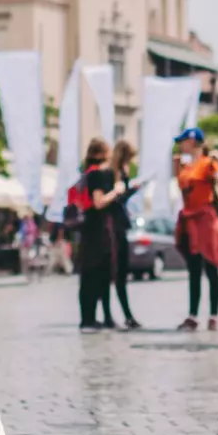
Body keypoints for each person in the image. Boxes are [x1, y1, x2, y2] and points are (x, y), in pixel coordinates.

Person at [172, 127, 218, 331]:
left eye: (184, 141)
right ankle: (193, 315)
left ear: (194, 142)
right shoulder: (185, 166)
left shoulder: (207, 163)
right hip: (189, 219)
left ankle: (213, 315)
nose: (180, 145)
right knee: (194, 269)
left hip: (205, 218)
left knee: (211, 267)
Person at [73, 139, 124, 331]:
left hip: (88, 229)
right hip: (97, 230)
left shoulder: (86, 172)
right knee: (97, 273)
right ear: (103, 152)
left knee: (90, 275)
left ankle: (89, 318)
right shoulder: (99, 174)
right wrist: (116, 191)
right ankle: (90, 319)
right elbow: (99, 202)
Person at [105, 140, 142, 329]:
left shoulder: (119, 173)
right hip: (114, 227)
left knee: (120, 273)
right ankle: (114, 315)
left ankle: (123, 314)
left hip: (119, 225)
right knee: (116, 272)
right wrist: (129, 192)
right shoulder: (113, 174)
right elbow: (115, 201)